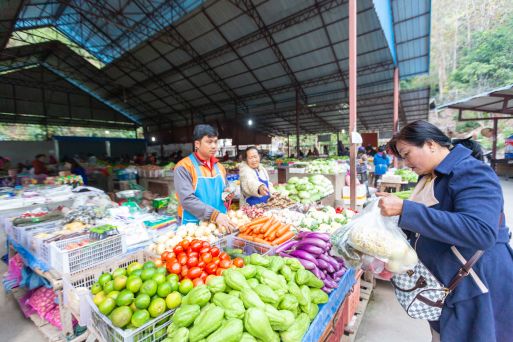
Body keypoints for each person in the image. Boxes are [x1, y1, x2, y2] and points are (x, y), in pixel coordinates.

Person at [378, 120, 513, 342]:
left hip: (477, 284)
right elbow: (430, 224)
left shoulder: (473, 172)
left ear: (430, 144)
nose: (405, 162)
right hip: (448, 286)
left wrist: (406, 209)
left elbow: (481, 231)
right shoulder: (432, 177)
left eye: (406, 153)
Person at [174, 124, 235, 230]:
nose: (214, 146)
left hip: (218, 225)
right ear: (197, 144)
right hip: (194, 227)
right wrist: (214, 215)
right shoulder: (184, 167)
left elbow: (224, 190)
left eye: (215, 141)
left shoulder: (220, 167)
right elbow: (187, 200)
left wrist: (227, 193)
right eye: (209, 142)